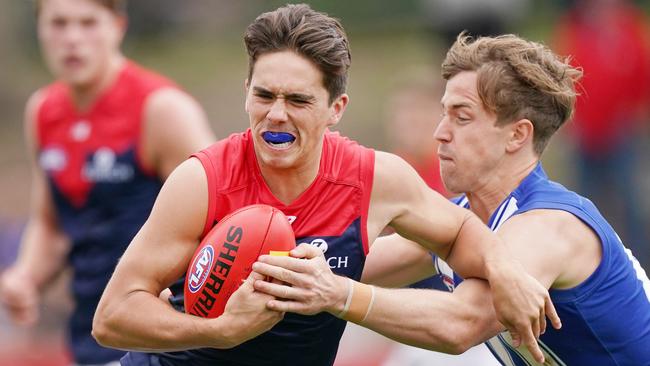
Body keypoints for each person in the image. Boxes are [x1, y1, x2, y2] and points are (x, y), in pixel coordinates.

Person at [92, 5, 556, 366]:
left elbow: (458, 231)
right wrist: (221, 331)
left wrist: (505, 269)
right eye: (264, 95)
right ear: (246, 90)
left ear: (336, 108)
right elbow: (112, 318)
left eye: (298, 100)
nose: (276, 114)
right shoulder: (203, 181)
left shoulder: (373, 179)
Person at [252, 33, 650, 365]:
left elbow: (460, 325)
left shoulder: (545, 226)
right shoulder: (461, 221)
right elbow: (345, 262)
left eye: (461, 117)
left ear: (517, 135)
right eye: (443, 114)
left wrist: (337, 294)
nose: (439, 132)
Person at [0, 0, 215, 365]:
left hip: (158, 342)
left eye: (87, 23)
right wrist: (25, 277)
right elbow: (53, 224)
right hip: (89, 335)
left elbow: (225, 219)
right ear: (40, 29)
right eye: (59, 24)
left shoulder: (162, 110)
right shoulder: (42, 112)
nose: (72, 39)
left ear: (117, 25)